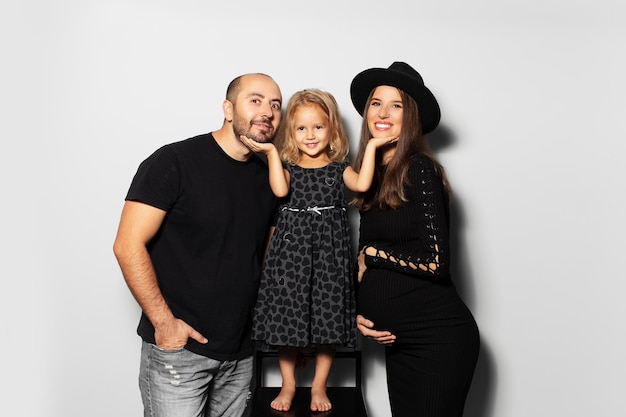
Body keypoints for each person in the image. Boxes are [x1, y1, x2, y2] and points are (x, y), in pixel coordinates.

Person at [112, 73, 283, 417]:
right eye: (255, 100)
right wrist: (164, 323)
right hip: (180, 348)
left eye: (275, 105)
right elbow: (127, 244)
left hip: (241, 352)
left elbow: (265, 259)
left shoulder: (271, 177)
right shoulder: (174, 161)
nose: (267, 111)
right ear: (228, 108)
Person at [241, 89, 395, 413]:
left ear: (332, 129)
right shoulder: (288, 168)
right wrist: (270, 152)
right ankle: (289, 384)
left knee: (328, 320)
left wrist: (374, 147)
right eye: (301, 129)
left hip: (329, 257)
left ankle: (320, 385)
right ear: (291, 133)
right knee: (286, 319)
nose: (310, 136)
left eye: (318, 127)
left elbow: (364, 184)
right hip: (290, 255)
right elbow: (280, 190)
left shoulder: (339, 169)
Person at [349, 62, 480, 417]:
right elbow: (363, 256)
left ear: (411, 117)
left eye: (397, 105)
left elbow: (435, 262)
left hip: (438, 341)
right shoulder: (369, 175)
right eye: (376, 103)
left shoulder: (419, 169)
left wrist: (374, 254)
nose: (384, 113)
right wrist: (358, 312)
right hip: (399, 344)